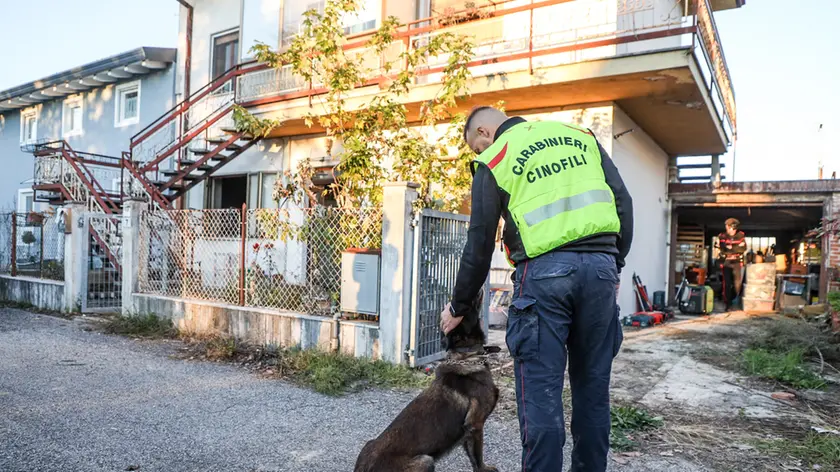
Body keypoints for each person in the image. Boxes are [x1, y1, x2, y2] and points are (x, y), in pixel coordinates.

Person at [439, 107, 634, 472]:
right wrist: (614, 265)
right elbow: (624, 203)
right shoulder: (582, 138)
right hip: (601, 269)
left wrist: (459, 305)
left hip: (543, 276)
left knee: (542, 395)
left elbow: (479, 242)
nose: (478, 153)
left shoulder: (494, 158)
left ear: (483, 130)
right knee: (593, 393)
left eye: (474, 146)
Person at [717, 218, 746, 311]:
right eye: (730, 229)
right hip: (727, 262)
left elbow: (743, 249)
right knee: (727, 283)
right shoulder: (722, 236)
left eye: (734, 229)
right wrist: (735, 248)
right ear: (727, 227)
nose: (732, 231)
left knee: (737, 283)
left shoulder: (741, 235)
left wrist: (731, 248)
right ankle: (727, 304)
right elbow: (723, 250)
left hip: (737, 262)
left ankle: (735, 300)